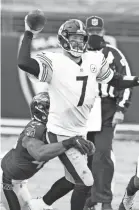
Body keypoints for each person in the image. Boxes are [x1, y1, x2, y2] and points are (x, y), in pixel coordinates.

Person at [18, 11, 139, 210]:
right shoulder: (54, 61)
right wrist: (29, 33)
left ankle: (40, 204)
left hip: (80, 129)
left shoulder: (94, 58)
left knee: (73, 179)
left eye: (81, 39)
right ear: (63, 39)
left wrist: (136, 80)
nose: (78, 43)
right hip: (61, 132)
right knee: (85, 181)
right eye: (73, 38)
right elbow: (23, 63)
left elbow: (115, 79)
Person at [1, 92, 92, 210]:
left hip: (19, 180)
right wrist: (69, 142)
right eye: (52, 108)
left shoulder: (55, 129)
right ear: (41, 110)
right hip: (7, 181)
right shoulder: (36, 128)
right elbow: (39, 154)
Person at [84, 16, 133, 210]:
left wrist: (121, 108)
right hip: (84, 108)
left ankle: (103, 200)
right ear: (86, 31)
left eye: (97, 31)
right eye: (91, 31)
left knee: (102, 153)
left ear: (103, 32)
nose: (94, 34)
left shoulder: (113, 54)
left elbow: (126, 81)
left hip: (106, 107)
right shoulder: (77, 53)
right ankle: (88, 198)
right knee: (84, 155)